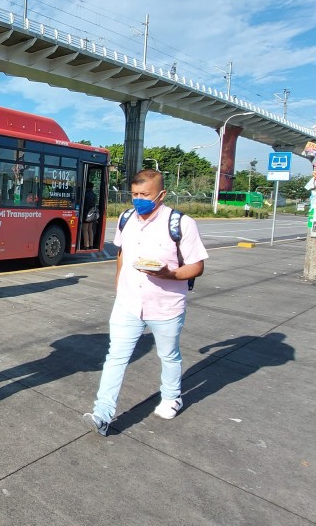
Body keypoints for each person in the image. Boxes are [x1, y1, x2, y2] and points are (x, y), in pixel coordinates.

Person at [82, 169, 208, 436]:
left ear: (161, 195)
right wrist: (119, 286)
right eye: (135, 194)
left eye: (145, 195)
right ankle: (102, 412)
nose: (139, 200)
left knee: (169, 354)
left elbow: (197, 266)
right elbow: (121, 254)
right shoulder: (127, 218)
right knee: (115, 357)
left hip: (165, 305)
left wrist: (169, 274)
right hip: (128, 303)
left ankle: (172, 397)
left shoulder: (181, 223)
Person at [82, 181, 98, 249]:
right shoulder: (94, 194)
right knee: (90, 229)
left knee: (85, 229)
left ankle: (86, 245)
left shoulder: (85, 194)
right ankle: (91, 244)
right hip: (92, 213)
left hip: (86, 213)